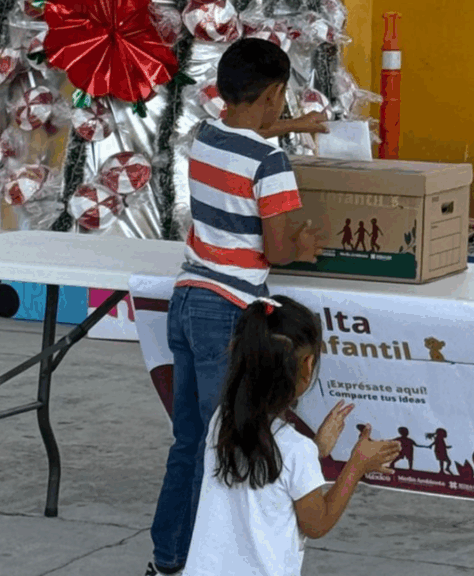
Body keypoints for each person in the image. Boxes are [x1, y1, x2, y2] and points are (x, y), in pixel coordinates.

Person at [146, 38, 329, 576]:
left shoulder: (207, 135)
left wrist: (297, 128)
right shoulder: (270, 165)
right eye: (283, 101)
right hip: (228, 310)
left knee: (189, 444)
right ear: (275, 95)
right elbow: (274, 251)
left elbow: (254, 133)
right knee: (221, 448)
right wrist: (302, 246)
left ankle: (168, 560)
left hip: (185, 302)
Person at [182, 296, 402, 576]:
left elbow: (270, 472)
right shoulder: (295, 449)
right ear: (308, 366)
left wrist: (316, 450)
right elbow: (316, 523)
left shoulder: (222, 421)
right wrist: (356, 465)